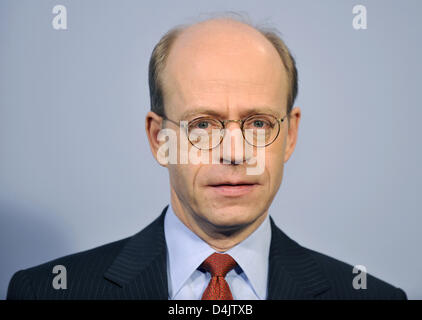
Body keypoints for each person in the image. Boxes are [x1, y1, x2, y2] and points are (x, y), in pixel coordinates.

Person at [7, 16, 406, 300]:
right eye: (202, 125)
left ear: (291, 135)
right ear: (158, 137)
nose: (235, 154)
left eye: (259, 124)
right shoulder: (47, 292)